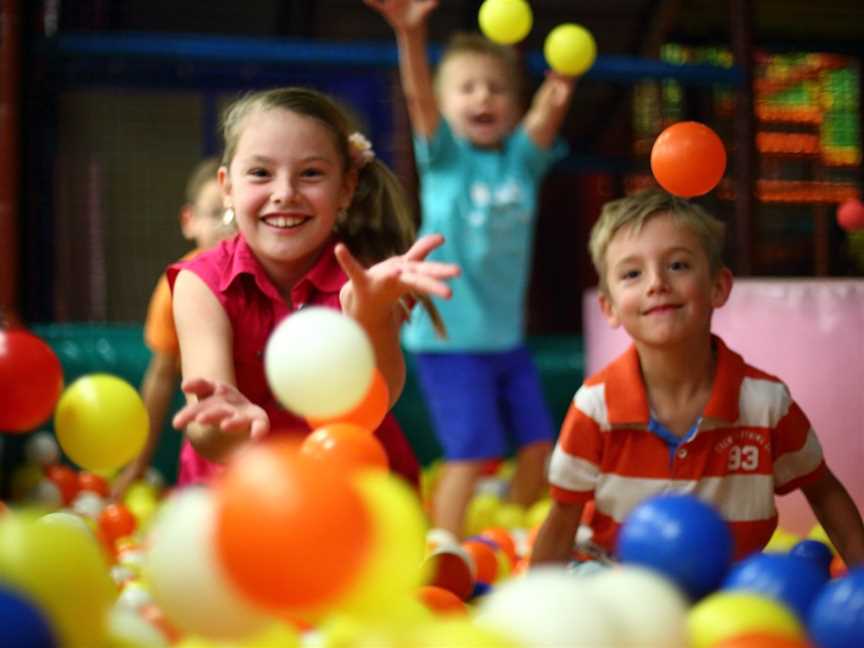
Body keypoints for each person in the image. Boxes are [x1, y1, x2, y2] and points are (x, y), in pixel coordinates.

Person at [531, 188, 864, 567]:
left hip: (729, 584)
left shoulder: (764, 402)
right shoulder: (596, 407)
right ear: (609, 308)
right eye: (632, 273)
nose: (656, 283)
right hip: (617, 576)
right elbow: (562, 518)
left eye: (678, 265)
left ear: (717, 287)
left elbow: (823, 490)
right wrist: (535, 605)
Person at [167, 86, 460, 489]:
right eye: (260, 173)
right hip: (238, 495)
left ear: (345, 188)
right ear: (227, 186)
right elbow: (205, 432)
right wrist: (225, 423)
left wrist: (371, 318)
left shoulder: (362, 282)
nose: (285, 193)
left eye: (310, 174)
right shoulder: (200, 283)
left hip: (346, 488)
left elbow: (376, 404)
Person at [367, 0, 577, 538]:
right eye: (467, 88)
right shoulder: (445, 159)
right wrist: (412, 36)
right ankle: (443, 549)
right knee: (470, 452)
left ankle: (502, 533)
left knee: (539, 448)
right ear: (444, 102)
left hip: (505, 339)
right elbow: (416, 94)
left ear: (513, 104)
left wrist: (561, 83)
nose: (483, 96)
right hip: (449, 340)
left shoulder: (522, 162)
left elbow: (547, 114)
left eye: (497, 88)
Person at [112, 158, 233, 498]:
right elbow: (161, 376)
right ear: (188, 221)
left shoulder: (267, 276)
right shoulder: (179, 283)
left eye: (234, 215)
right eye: (215, 214)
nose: (228, 227)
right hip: (209, 442)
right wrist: (137, 466)